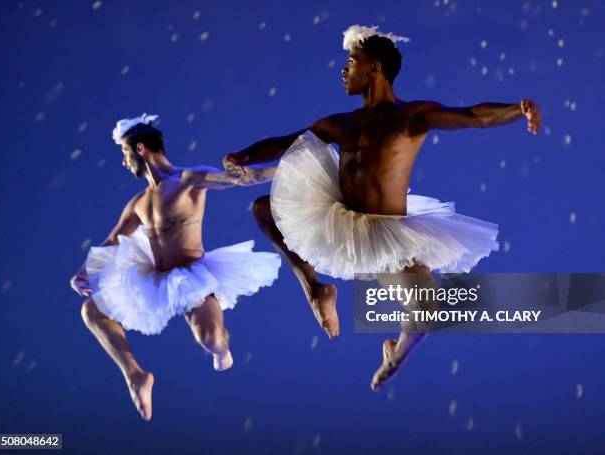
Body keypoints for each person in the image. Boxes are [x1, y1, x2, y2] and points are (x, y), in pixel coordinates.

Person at [223, 25, 541, 390]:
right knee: (263, 208)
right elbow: (287, 141)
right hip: (337, 219)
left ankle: (396, 355)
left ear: (373, 68)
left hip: (386, 235)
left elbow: (473, 115)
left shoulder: (410, 116)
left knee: (427, 311)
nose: (344, 70)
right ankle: (315, 289)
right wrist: (244, 154)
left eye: (351, 62)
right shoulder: (342, 123)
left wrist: (518, 110)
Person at [70, 114, 281, 421]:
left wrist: (284, 169)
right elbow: (113, 240)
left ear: (140, 149)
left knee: (211, 341)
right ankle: (135, 376)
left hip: (193, 275)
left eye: (125, 154)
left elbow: (243, 178)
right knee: (91, 310)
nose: (124, 162)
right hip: (154, 280)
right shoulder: (138, 203)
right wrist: (82, 272)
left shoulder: (188, 180)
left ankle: (223, 351)